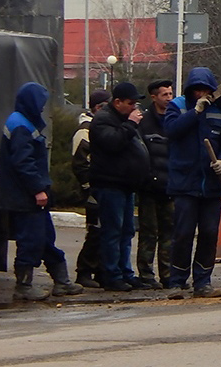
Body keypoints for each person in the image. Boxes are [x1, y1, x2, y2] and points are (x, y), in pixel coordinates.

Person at [0, 82, 83, 301]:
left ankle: (61, 282)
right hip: (24, 197)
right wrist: (37, 189)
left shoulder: (23, 121)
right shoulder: (20, 126)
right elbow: (23, 163)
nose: (42, 108)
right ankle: (24, 287)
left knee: (44, 238)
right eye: (40, 103)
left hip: (29, 196)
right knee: (31, 239)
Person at [164, 67, 221, 298]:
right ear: (190, 90)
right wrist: (195, 113)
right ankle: (177, 282)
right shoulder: (178, 106)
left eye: (206, 90)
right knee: (183, 233)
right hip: (185, 184)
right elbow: (172, 131)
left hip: (211, 186)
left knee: (209, 233)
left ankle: (202, 282)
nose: (202, 93)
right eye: (197, 90)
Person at [89, 82, 151, 292]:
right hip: (110, 184)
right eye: (130, 103)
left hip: (126, 185)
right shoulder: (103, 120)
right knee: (112, 232)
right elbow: (113, 143)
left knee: (126, 232)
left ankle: (125, 272)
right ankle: (111, 275)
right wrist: (131, 125)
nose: (134, 108)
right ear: (117, 102)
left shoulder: (124, 120)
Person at [136, 79, 175, 289]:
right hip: (150, 188)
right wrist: (147, 178)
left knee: (169, 233)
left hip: (170, 186)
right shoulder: (144, 122)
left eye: (170, 94)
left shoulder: (174, 119)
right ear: (154, 97)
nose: (169, 98)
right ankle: (146, 275)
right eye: (164, 95)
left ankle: (168, 275)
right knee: (149, 232)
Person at [71, 89, 111, 288]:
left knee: (104, 231)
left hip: (104, 187)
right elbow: (80, 163)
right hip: (93, 190)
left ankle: (101, 270)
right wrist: (89, 188)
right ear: (98, 107)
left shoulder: (102, 126)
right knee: (95, 231)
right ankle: (84, 270)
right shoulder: (86, 130)